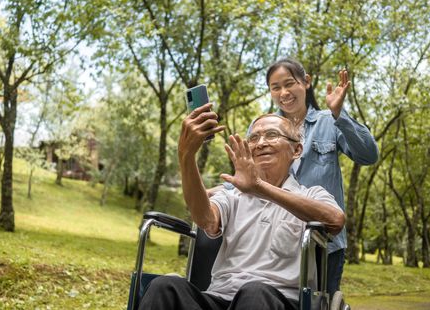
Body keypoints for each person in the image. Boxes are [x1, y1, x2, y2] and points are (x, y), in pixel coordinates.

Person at [138, 104, 345, 310]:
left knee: (254, 292)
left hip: (277, 300)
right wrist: (186, 156)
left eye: (272, 135)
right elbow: (206, 219)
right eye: (253, 138)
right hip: (220, 296)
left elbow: (335, 220)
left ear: (297, 149)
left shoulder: (311, 195)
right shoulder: (232, 196)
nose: (261, 143)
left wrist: (260, 187)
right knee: (164, 287)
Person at [262, 58, 379, 296]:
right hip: (274, 238)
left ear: (306, 82)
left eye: (289, 84)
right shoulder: (263, 129)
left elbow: (368, 155)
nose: (283, 93)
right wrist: (221, 191)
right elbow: (251, 178)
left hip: (323, 242)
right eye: (276, 87)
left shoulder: (329, 121)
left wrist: (339, 114)